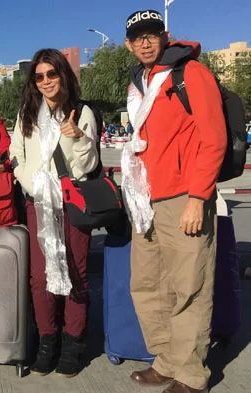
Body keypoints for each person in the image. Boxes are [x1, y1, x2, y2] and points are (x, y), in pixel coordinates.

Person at [121, 10, 226, 393]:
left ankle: (191, 374)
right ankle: (166, 360)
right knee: (148, 285)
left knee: (189, 286)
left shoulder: (190, 74)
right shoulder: (141, 82)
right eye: (138, 37)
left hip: (184, 196)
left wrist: (198, 198)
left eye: (152, 35)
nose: (145, 42)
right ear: (129, 45)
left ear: (165, 37)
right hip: (146, 200)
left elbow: (213, 138)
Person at [9, 48, 99, 378]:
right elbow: (15, 152)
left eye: (52, 73)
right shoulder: (28, 113)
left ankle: (73, 342)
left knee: (75, 272)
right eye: (39, 76)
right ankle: (47, 341)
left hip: (72, 202)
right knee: (40, 277)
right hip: (38, 202)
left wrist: (78, 139)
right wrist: (29, 180)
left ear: (63, 74)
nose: (46, 81)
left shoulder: (82, 112)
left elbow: (88, 166)